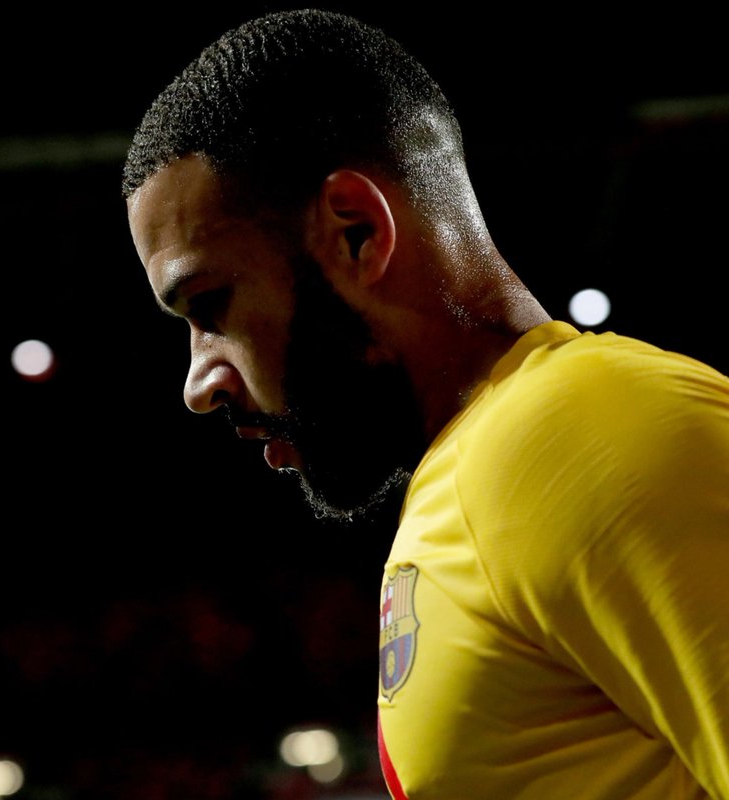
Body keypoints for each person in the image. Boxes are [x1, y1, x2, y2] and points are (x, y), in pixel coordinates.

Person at [122, 8, 729, 799]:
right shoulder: (498, 461)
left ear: (355, 233)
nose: (199, 384)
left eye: (210, 306)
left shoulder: (584, 432)